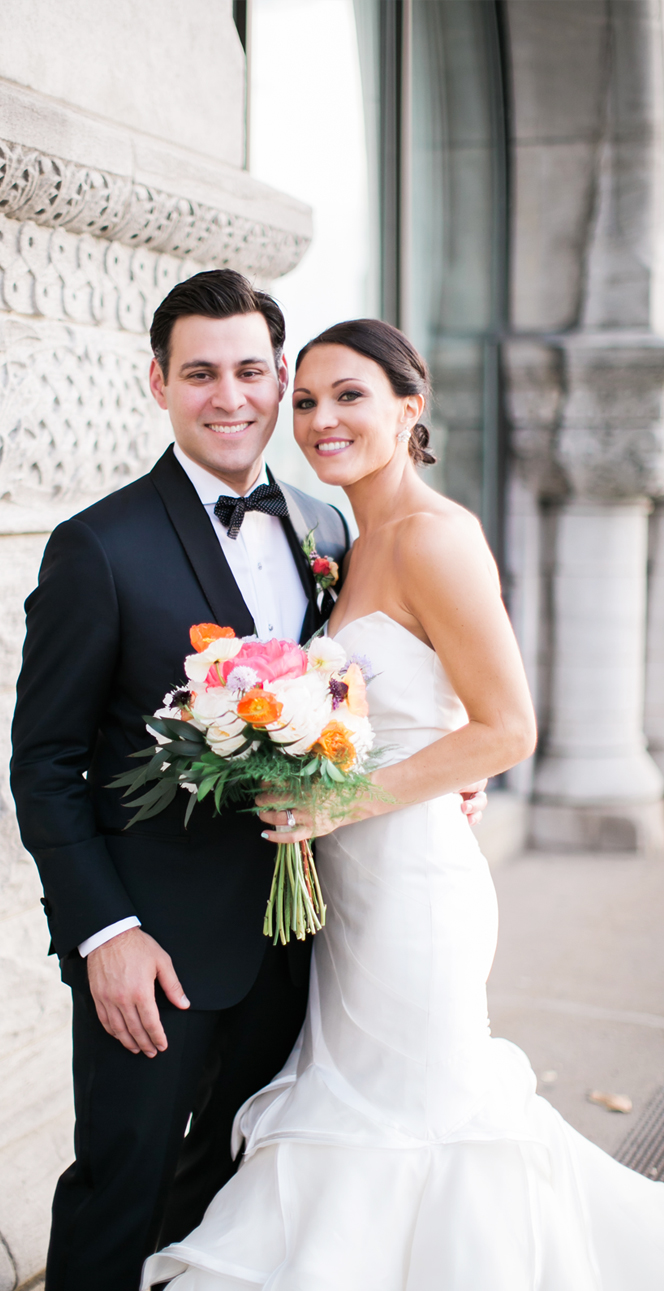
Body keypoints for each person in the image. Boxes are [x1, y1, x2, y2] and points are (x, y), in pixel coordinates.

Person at [143, 320, 664, 1288]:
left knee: (415, 1116)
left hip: (412, 888)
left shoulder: (435, 535)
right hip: (350, 890)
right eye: (303, 400)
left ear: (408, 407)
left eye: (349, 395)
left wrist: (339, 801)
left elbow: (508, 728)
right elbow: (434, 704)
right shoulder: (343, 537)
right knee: (360, 1105)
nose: (319, 418)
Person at [8, 270, 487, 1290]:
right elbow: (45, 762)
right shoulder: (96, 546)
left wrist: (425, 766)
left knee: (245, 1191)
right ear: (157, 383)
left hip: (313, 935)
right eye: (198, 374)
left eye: (250, 372)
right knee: (121, 1183)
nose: (229, 397)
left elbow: (377, 688)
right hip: (158, 947)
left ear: (275, 380)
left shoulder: (327, 532)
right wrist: (104, 933)